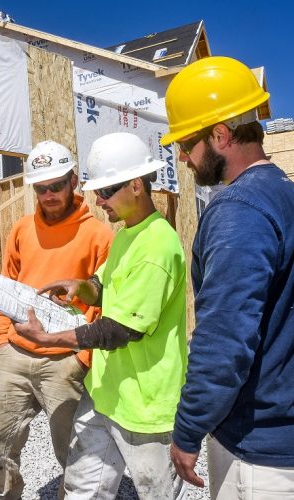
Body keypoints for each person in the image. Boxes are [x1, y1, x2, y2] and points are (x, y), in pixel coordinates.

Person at [15, 132, 189, 500]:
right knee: (82, 489)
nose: (98, 200)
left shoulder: (158, 245)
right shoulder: (128, 234)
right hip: (106, 394)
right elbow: (105, 285)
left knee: (155, 492)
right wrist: (81, 286)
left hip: (146, 407)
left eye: (106, 191)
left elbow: (121, 330)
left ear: (137, 185)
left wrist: (48, 339)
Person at [160, 56, 294, 498]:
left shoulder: (238, 211)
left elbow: (225, 339)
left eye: (187, 142)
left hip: (259, 455)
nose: (181, 155)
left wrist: (188, 429)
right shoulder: (284, 194)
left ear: (220, 135)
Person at [0, 140, 114, 499]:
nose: (49, 194)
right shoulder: (22, 230)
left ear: (73, 181)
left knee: (74, 452)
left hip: (64, 361)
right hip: (16, 354)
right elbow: (5, 286)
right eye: (41, 188)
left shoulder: (98, 235)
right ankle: (7, 494)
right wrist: (0, 340)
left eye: (56, 185)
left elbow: (108, 301)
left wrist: (81, 358)